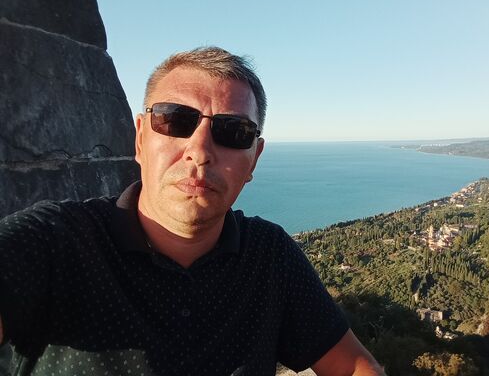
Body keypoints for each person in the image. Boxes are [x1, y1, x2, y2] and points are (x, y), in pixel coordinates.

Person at [0, 47, 384, 376]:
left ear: (254, 159)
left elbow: (354, 367)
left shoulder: (269, 256)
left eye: (233, 132)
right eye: (174, 120)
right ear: (140, 138)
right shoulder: (54, 243)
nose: (199, 151)